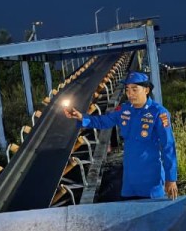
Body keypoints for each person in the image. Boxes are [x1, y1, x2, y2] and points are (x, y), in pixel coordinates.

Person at [64, 71, 178, 200]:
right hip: (129, 181)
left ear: (146, 90)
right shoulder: (124, 110)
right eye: (128, 90)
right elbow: (103, 121)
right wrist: (81, 117)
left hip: (151, 182)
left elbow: (168, 146)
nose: (130, 94)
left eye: (135, 90)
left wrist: (171, 178)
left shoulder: (159, 113)